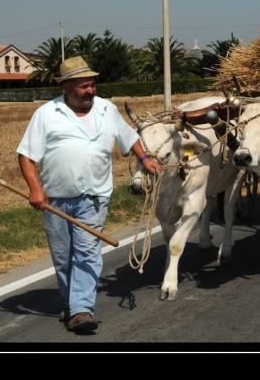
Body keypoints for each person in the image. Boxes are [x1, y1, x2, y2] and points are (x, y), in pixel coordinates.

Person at [16, 57, 161, 332]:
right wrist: (35, 189)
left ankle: (82, 309)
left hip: (94, 197)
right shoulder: (47, 114)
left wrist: (145, 159)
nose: (90, 91)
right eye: (83, 86)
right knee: (62, 256)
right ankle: (72, 303)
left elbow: (129, 138)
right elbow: (25, 156)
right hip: (55, 199)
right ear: (66, 87)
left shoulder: (107, 109)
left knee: (86, 252)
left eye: (92, 85)